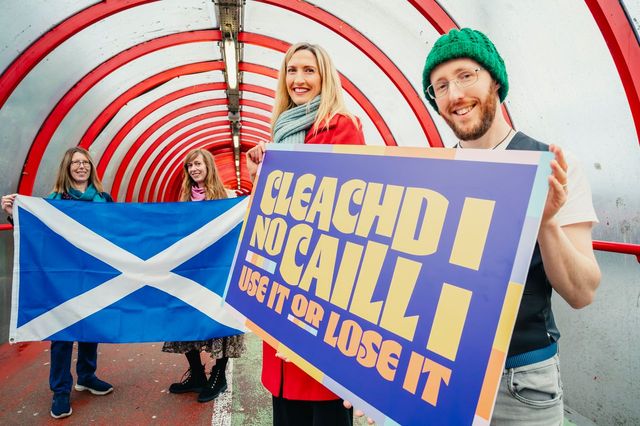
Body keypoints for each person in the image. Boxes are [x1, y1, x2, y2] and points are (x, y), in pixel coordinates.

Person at [421, 28, 601, 424]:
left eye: (466, 75)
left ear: (495, 81)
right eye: (441, 86)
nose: (455, 94)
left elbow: (582, 292)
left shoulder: (552, 165)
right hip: (440, 374)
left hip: (521, 384)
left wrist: (546, 223)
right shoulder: (434, 174)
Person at [246, 42, 365, 426]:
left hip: (320, 296)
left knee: (324, 407)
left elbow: (349, 210)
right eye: (291, 70)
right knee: (288, 411)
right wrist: (258, 180)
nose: (299, 79)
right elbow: (268, 218)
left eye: (308, 70)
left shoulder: (341, 126)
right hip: (280, 291)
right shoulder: (281, 131)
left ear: (324, 76)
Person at [2, 147, 114, 419]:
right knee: (62, 335)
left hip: (94, 275)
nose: (81, 167)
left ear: (91, 167)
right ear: (67, 168)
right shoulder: (53, 200)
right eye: (75, 163)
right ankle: (60, 390)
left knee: (91, 328)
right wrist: (13, 213)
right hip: (62, 279)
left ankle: (86, 376)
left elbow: (117, 231)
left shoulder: (104, 199)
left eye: (85, 162)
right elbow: (36, 231)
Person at [162, 148, 245, 403]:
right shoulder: (183, 202)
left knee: (220, 322)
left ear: (208, 166)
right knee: (185, 320)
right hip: (190, 273)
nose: (194, 169)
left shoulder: (228, 198)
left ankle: (218, 376)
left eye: (197, 164)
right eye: (189, 166)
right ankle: (197, 374)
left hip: (218, 274)